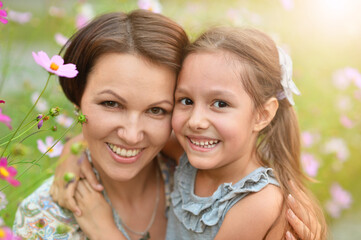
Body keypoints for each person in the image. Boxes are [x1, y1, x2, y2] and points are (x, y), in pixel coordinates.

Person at [50, 27, 327, 239]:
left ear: (262, 114)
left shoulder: (257, 203)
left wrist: (105, 231)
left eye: (220, 104)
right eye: (186, 101)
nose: (195, 121)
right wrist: (73, 152)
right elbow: (132, 139)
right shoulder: (191, 152)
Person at [13, 9, 189, 240]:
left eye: (156, 110)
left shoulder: (197, 179)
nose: (132, 135)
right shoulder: (43, 218)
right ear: (78, 98)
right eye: (111, 104)